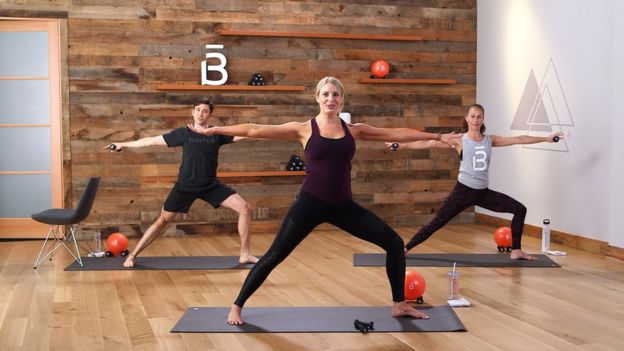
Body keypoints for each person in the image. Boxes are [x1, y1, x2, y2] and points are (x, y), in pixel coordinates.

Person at [189, 76, 460, 325]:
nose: (331, 99)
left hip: (343, 207)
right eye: (326, 94)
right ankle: (236, 306)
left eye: (336, 95)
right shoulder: (304, 129)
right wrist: (216, 131)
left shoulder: (353, 130)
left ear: (342, 99)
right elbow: (255, 129)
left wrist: (437, 136)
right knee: (274, 255)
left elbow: (396, 133)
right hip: (309, 204)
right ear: (317, 98)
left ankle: (399, 304)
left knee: (394, 243)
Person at [387, 103, 563, 260]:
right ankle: (406, 248)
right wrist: (402, 145)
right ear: (467, 118)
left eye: (479, 116)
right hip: (463, 191)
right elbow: (429, 144)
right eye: (472, 116)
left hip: (483, 193)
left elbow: (519, 139)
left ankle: (516, 250)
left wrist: (546, 138)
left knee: (519, 209)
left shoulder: (490, 140)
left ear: (483, 119)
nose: (476, 119)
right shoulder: (459, 140)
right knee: (437, 222)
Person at [103, 97, 258, 268]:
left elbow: (249, 133)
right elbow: (150, 141)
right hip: (185, 186)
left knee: (245, 209)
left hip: (210, 185)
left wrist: (271, 131)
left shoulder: (217, 133)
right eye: (198, 110)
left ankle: (245, 254)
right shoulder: (183, 134)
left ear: (210, 114)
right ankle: (132, 255)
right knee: (162, 220)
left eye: (205, 111)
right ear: (192, 112)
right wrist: (122, 144)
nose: (201, 114)